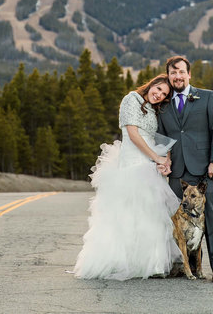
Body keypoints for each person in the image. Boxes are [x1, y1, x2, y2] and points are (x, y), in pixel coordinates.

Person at [74, 74, 182, 280]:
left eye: (164, 94)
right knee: (130, 212)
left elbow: (158, 137)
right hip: (133, 161)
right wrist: (155, 158)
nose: (158, 95)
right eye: (157, 89)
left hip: (152, 164)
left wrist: (165, 160)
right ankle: (124, 261)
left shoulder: (154, 109)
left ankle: (153, 263)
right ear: (151, 84)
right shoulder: (131, 99)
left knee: (152, 213)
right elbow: (133, 134)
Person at [157, 56, 213, 283]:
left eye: (181, 72)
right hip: (177, 174)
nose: (177, 76)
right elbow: (161, 137)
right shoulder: (164, 104)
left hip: (204, 171)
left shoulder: (207, 97)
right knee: (175, 222)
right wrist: (162, 162)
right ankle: (179, 265)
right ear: (168, 76)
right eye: (172, 73)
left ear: (189, 74)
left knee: (210, 219)